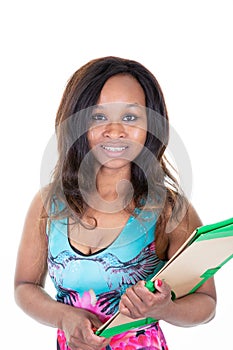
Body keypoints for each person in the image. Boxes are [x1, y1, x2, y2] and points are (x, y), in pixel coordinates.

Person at [14, 56, 216, 350]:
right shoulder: (48, 205)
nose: (116, 130)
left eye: (131, 117)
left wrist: (164, 309)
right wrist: (65, 316)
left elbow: (207, 304)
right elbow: (24, 287)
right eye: (98, 116)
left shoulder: (169, 211)